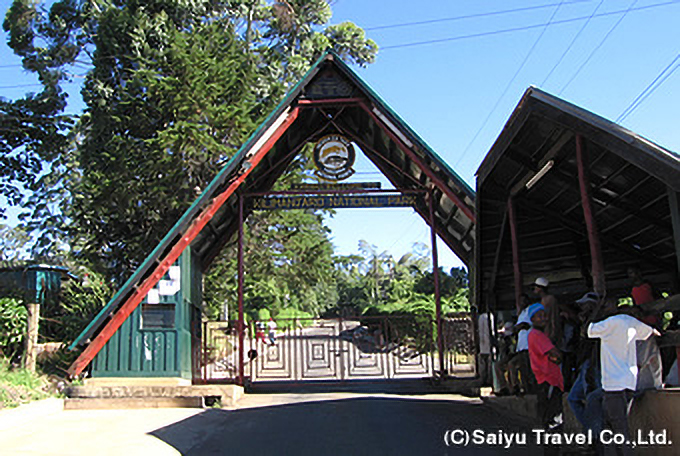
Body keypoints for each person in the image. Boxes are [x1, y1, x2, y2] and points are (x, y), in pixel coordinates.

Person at [587, 298, 659, 456]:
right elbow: (650, 332)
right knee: (615, 424)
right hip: (628, 381)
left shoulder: (610, 323)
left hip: (613, 384)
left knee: (617, 428)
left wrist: (596, 310)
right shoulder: (632, 322)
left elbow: (589, 330)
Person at [568, 292, 604, 453]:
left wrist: (591, 366)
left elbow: (595, 347)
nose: (582, 307)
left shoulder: (598, 322)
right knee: (574, 398)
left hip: (593, 364)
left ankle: (593, 439)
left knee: (592, 399)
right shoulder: (585, 322)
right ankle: (592, 431)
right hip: (585, 364)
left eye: (585, 304)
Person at [528, 303, 564, 455]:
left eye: (544, 315)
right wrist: (556, 357)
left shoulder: (539, 335)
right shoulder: (537, 335)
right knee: (553, 421)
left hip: (548, 382)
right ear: (532, 319)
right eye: (539, 316)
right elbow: (556, 354)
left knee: (550, 420)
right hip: (548, 381)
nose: (544, 318)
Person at [507, 294, 535, 394]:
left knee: (528, 370)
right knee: (519, 367)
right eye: (520, 301)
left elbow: (526, 325)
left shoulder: (530, 311)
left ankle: (530, 390)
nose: (522, 303)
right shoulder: (521, 313)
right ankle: (517, 387)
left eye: (524, 300)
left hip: (529, 346)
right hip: (521, 347)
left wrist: (520, 326)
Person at [532, 278, 563, 349]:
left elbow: (550, 316)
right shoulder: (545, 299)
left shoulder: (549, 299)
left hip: (550, 330)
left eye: (536, 286)